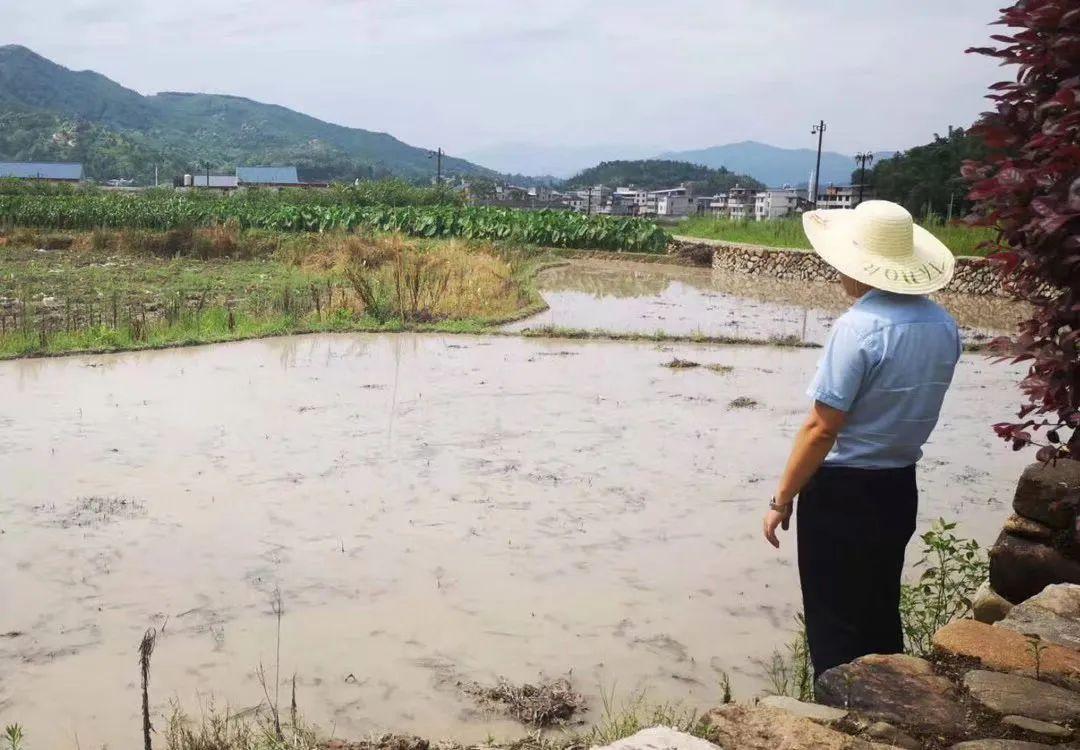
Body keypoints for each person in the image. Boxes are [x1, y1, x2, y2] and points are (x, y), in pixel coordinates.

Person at [762, 200, 962, 682]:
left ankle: (843, 719)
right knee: (877, 610)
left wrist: (782, 498)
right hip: (898, 488)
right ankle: (893, 713)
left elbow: (821, 428)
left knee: (834, 622)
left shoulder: (859, 327)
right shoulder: (943, 325)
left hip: (841, 494)